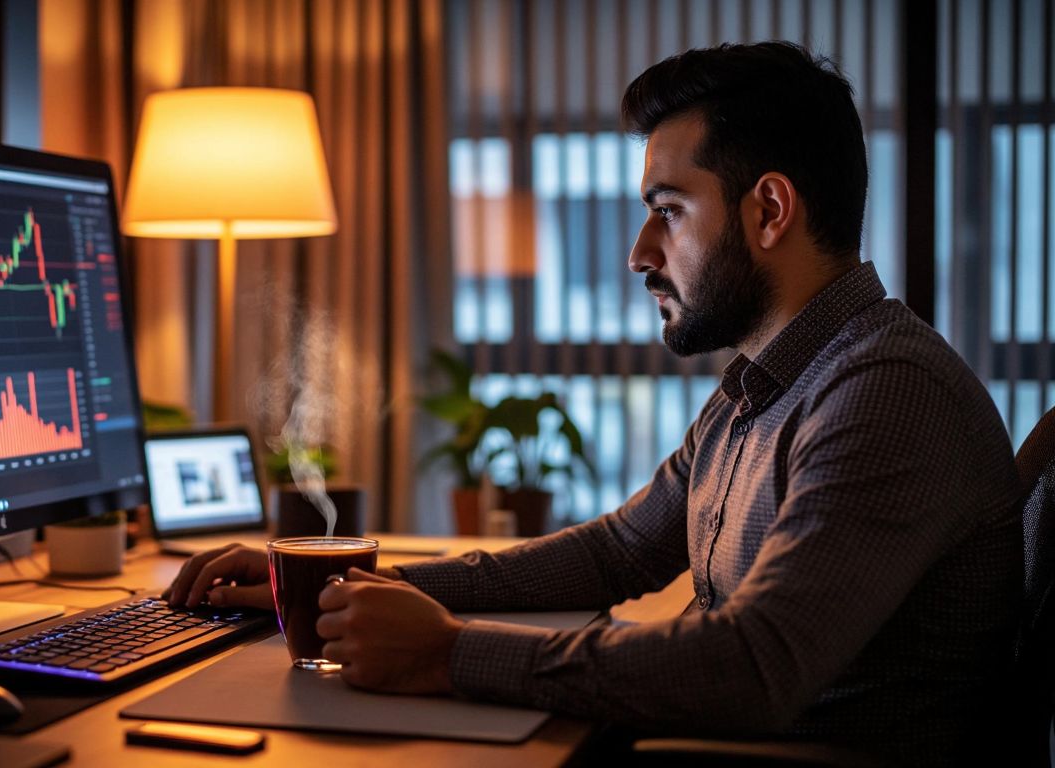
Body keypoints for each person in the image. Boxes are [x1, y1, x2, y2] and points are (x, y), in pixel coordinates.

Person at [164, 42, 1021, 765]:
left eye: (669, 212)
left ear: (769, 210)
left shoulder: (885, 395)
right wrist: (353, 586)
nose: (639, 253)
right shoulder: (763, 386)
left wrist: (448, 654)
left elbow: (753, 668)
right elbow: (618, 554)